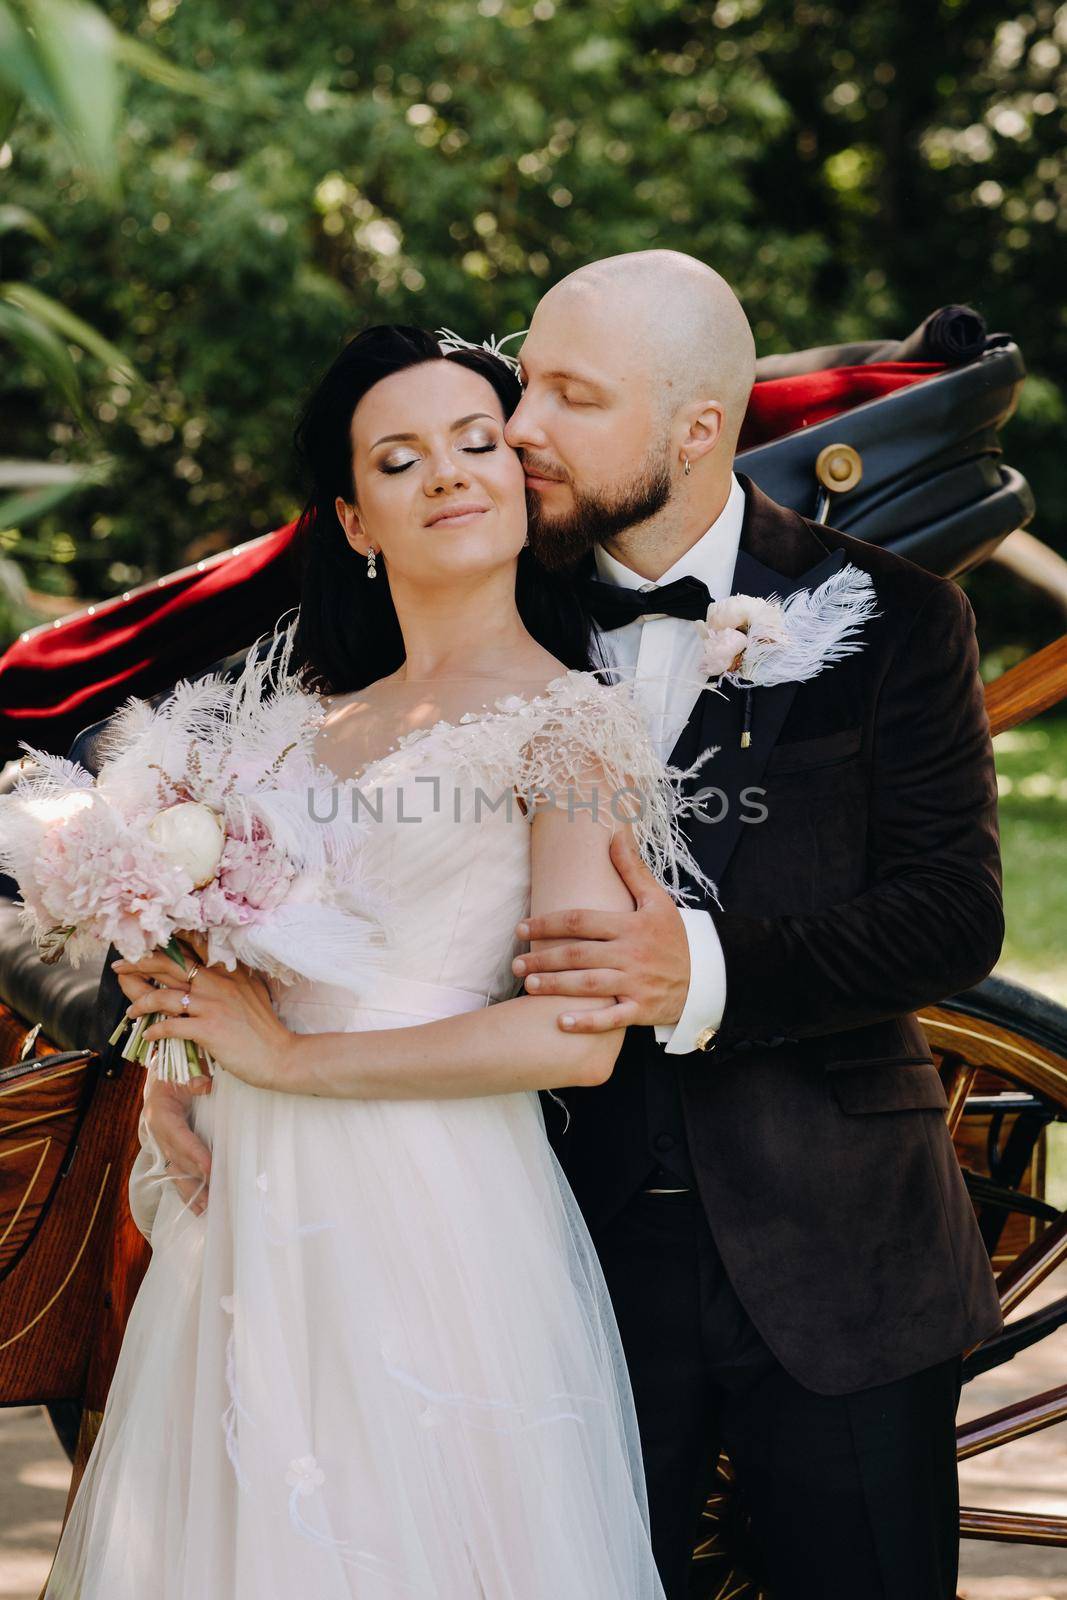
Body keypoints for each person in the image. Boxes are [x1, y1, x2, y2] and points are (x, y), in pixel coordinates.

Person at [44, 326, 682, 1599]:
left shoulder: (567, 723)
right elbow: (239, 952)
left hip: (428, 1204)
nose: (448, 473)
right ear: (353, 519)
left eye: (476, 442)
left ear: (518, 481)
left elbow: (575, 1037)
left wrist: (286, 1053)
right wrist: (180, 1051)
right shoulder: (288, 728)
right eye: (401, 459)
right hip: (245, 1196)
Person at [500, 251, 1005, 1599]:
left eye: (569, 393)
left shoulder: (899, 619)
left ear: (696, 429)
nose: (519, 426)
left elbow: (950, 917)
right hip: (561, 1264)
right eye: (521, 379)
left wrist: (696, 968)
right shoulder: (477, 626)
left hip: (842, 1257)